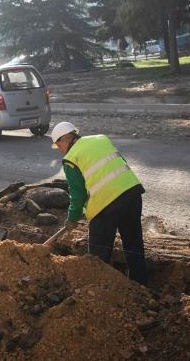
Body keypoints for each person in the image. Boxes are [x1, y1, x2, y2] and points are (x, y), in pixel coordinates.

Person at [47, 121, 147, 286]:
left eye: (58, 146)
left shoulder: (71, 159)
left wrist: (72, 218)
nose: (60, 151)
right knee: (133, 243)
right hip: (131, 193)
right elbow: (118, 163)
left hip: (106, 205)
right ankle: (140, 283)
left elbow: (77, 194)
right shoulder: (101, 139)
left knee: (97, 256)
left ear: (64, 139)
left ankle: (96, 289)